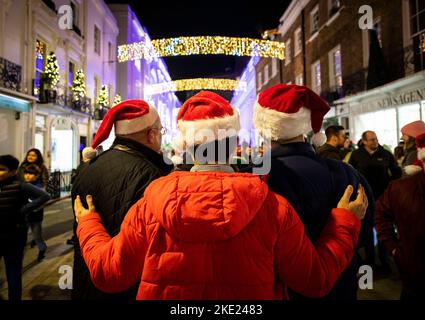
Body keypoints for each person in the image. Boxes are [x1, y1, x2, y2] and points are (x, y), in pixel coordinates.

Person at [74, 91, 368, 300]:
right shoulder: (272, 206)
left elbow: (109, 274)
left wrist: (88, 224)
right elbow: (314, 280)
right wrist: (343, 222)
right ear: (235, 142)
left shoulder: (151, 203)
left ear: (185, 145)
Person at [252, 84, 375, 300]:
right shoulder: (345, 173)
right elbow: (363, 229)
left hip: (280, 288)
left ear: (264, 128)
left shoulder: (253, 179)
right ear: (304, 126)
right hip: (339, 284)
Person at [71, 100, 173, 300]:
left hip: (87, 279)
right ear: (151, 135)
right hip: (127, 286)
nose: (161, 135)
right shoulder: (152, 175)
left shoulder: (88, 167)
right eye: (161, 130)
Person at [375, 132, 425, 300]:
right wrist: (393, 247)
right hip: (414, 274)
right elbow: (381, 215)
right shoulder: (401, 189)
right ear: (422, 162)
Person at [349, 130, 402, 273]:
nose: (375, 142)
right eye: (371, 140)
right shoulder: (356, 155)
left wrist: (390, 187)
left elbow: (396, 172)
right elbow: (351, 173)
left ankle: (384, 262)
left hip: (382, 199)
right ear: (364, 141)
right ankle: (370, 263)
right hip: (364, 200)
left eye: (376, 139)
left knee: (383, 229)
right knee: (367, 232)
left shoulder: (385, 154)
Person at [0, 155, 50, 300]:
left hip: (14, 234)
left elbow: (44, 196)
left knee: (13, 271)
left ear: (13, 171)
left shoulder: (20, 185)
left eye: (2, 169)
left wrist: (24, 209)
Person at [67, 147, 98, 246]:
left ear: (83, 157)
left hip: (79, 199)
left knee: (79, 220)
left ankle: (78, 239)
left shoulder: (81, 168)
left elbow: (74, 184)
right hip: (91, 199)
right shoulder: (97, 167)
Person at [22, 164, 48, 262]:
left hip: (35, 217)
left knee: (37, 236)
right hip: (25, 216)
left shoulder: (39, 187)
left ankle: (42, 249)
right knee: (23, 237)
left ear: (37, 176)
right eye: (26, 173)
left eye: (31, 174)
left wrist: (32, 207)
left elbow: (42, 202)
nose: (28, 176)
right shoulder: (23, 185)